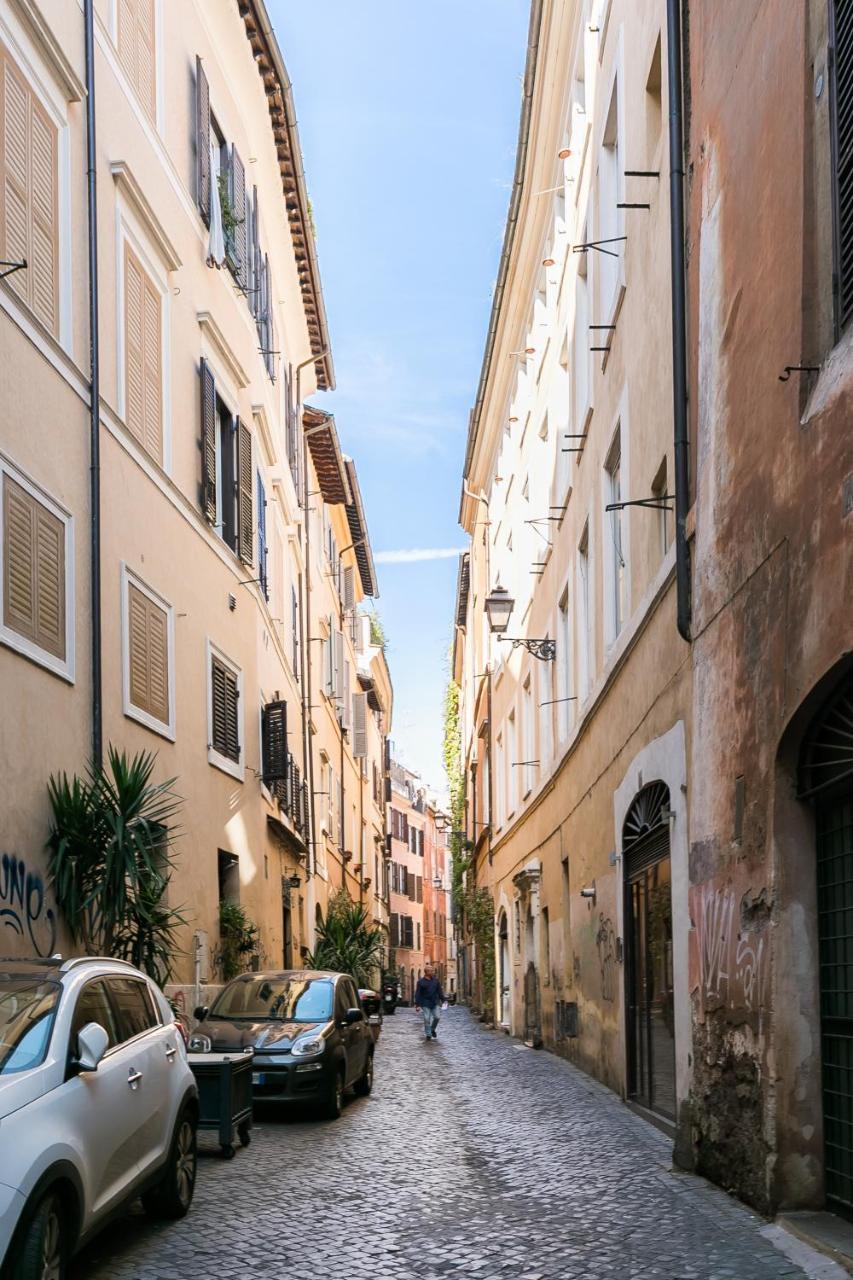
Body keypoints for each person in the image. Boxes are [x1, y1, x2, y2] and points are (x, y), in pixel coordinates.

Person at [414, 964, 445, 1040]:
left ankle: (432, 1029)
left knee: (437, 1017)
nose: (433, 972)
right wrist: (417, 1005)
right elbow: (418, 993)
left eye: (433, 971)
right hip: (425, 1003)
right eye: (431, 971)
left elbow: (439, 991)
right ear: (426, 972)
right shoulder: (420, 982)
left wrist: (444, 1000)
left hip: (435, 1002)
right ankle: (428, 1034)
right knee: (427, 1019)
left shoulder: (436, 981)